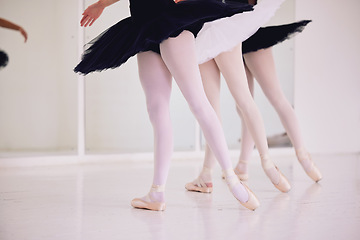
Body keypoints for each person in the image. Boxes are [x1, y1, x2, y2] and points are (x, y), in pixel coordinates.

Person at [75, 0, 260, 211]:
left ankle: (233, 182)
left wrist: (101, 5)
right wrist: (101, 5)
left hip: (168, 20)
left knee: (194, 103)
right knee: (159, 109)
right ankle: (157, 192)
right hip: (146, 27)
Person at [185, 20, 322, 195]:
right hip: (223, 30)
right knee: (243, 104)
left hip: (227, 31)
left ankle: (300, 158)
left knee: (260, 100)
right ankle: (241, 166)